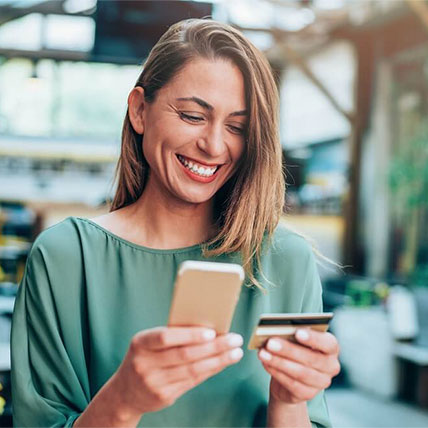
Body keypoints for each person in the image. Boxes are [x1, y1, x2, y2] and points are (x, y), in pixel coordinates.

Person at [11, 18, 340, 427]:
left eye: (237, 127)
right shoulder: (66, 258)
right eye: (192, 116)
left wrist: (290, 401)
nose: (215, 145)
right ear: (139, 111)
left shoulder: (284, 260)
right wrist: (123, 400)